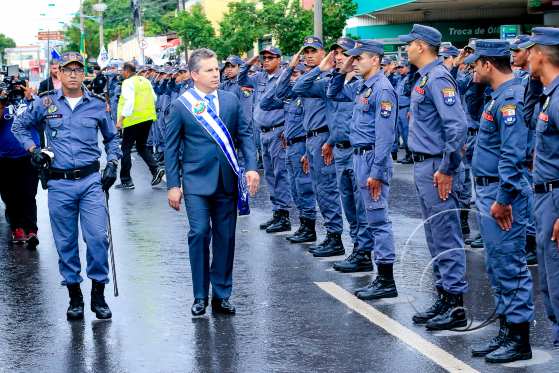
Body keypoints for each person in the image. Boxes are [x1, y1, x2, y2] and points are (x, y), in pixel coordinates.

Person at [12, 51, 122, 320]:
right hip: (59, 183)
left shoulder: (96, 104)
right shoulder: (45, 103)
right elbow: (19, 126)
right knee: (66, 242)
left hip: (90, 181)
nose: (73, 74)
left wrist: (113, 164)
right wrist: (33, 149)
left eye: (78, 70)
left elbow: (112, 138)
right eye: (67, 69)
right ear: (58, 73)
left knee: (97, 238)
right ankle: (74, 295)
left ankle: (98, 293)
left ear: (84, 74)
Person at [164, 48, 260, 317]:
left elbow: (245, 135)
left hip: (226, 180)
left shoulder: (231, 100)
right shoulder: (182, 105)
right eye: (209, 70)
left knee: (225, 237)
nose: (216, 73)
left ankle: (221, 294)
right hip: (195, 182)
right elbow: (171, 149)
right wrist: (174, 184)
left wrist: (251, 168)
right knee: (199, 233)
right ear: (194, 74)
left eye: (216, 69)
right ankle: (199, 295)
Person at [466, 39, 535, 363]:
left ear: (487, 65)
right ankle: (507, 331)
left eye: (475, 63)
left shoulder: (510, 99)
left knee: (510, 264)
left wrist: (505, 197)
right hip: (489, 190)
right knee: (497, 266)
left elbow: (513, 153)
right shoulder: (497, 95)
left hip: (501, 193)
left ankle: (519, 338)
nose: (471, 68)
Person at [399, 24, 468, 330]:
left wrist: (447, 169)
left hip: (437, 166)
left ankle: (455, 305)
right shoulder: (425, 77)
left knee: (445, 234)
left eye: (410, 44)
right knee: (433, 233)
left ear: (423, 46)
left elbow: (456, 126)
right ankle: (444, 295)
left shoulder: (439, 78)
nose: (406, 49)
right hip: (425, 164)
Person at [327, 39, 398, 299]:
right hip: (358, 157)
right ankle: (380, 274)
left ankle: (386, 279)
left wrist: (377, 172)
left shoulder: (382, 89)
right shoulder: (361, 87)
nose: (355, 62)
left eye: (360, 58)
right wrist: (343, 69)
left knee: (378, 220)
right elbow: (333, 93)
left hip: (371, 158)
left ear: (376, 60)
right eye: (353, 58)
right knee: (370, 217)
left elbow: (385, 136)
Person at [522, 26, 559, 349]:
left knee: (558, 279)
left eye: (531, 50)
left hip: (556, 197)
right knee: (548, 280)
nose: (525, 56)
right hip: (544, 195)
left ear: (543, 54)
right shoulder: (547, 94)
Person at [293, 36, 345, 256]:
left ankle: (335, 237)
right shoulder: (313, 78)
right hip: (311, 140)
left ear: (325, 53)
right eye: (306, 52)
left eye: (313, 51)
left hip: (325, 140)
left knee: (328, 190)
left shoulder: (331, 79)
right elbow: (299, 88)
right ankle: (330, 235)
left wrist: (330, 141)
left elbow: (338, 115)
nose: (309, 56)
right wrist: (306, 149)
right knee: (319, 190)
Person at [261, 63, 318, 243]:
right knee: (295, 188)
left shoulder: (309, 95)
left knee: (305, 188)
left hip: (302, 146)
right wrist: (285, 74)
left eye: (297, 74)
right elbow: (266, 102)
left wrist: (308, 150)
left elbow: (313, 126)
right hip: (290, 146)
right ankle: (303, 225)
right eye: (292, 74)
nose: (294, 78)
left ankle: (309, 228)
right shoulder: (290, 96)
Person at [239, 47, 292, 233]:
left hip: (278, 132)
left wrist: (288, 129)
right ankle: (276, 212)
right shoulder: (260, 77)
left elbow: (289, 107)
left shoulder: (284, 78)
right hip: (263, 133)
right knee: (269, 174)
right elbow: (241, 79)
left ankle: (284, 215)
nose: (266, 61)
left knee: (280, 174)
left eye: (270, 58)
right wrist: (252, 59)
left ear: (279, 59)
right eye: (264, 58)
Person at [511, 34, 543, 265]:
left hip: (536, 146)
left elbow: (535, 120)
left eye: (520, 51)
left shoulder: (543, 82)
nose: (515, 55)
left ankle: (532, 241)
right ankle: (530, 240)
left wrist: (530, 148)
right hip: (528, 143)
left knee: (531, 192)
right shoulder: (529, 79)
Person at [116, 62, 165, 189]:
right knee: (141, 147)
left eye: (122, 70)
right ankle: (155, 170)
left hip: (134, 119)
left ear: (127, 71)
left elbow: (129, 102)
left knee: (125, 149)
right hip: (148, 118)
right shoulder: (145, 80)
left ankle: (126, 180)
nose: (121, 73)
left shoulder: (128, 83)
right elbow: (154, 98)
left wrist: (121, 119)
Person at [0, 87, 39, 245]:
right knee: (10, 195)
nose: (16, 92)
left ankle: (31, 230)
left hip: (28, 154)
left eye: (19, 88)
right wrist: (2, 101)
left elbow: (41, 117)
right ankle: (17, 228)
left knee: (28, 193)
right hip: (4, 156)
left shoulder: (31, 101)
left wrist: (31, 98)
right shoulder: (3, 103)